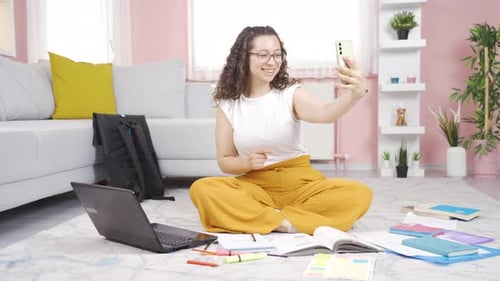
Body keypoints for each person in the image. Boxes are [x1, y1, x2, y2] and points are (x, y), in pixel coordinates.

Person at [190, 26, 372, 235]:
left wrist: (354, 95)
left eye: (277, 55)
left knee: (359, 193)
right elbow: (225, 160)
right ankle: (290, 223)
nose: (272, 62)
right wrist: (244, 163)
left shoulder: (290, 93)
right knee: (202, 189)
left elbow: (325, 113)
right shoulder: (228, 104)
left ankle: (267, 219)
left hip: (301, 184)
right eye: (263, 55)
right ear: (243, 58)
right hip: (256, 187)